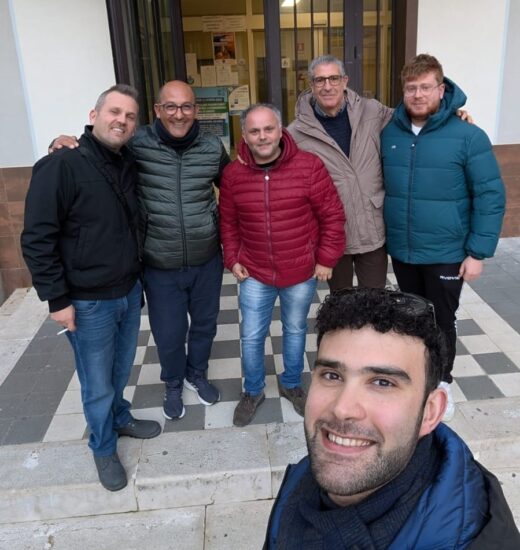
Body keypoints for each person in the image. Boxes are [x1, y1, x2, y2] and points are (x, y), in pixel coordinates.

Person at [265, 288, 520, 549]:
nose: (342, 409)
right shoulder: (301, 478)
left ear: (430, 411)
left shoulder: (479, 540)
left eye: (382, 383)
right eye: (332, 376)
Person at [49, 81, 230, 422]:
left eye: (186, 106)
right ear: (158, 110)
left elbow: (235, 190)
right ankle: (173, 381)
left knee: (205, 325)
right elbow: (100, 148)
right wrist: (63, 141)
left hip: (206, 258)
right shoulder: (137, 143)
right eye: (171, 106)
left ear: (196, 110)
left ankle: (196, 373)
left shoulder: (211, 147)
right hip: (159, 262)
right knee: (169, 332)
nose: (179, 114)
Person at [21, 84, 161, 492]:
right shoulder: (61, 165)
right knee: (97, 381)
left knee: (119, 370)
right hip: (87, 302)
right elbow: (37, 238)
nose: (122, 121)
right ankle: (102, 446)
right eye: (114, 112)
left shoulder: (126, 161)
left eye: (130, 116)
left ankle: (119, 417)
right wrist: (57, 299)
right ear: (93, 115)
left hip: (127, 291)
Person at [381, 54, 506, 420]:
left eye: (425, 87)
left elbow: (490, 195)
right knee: (413, 318)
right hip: (404, 250)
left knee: (441, 321)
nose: (418, 95)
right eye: (411, 88)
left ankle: (442, 384)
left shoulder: (468, 136)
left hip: (447, 252)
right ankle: (417, 375)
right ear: (403, 90)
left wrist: (478, 252)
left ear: (441, 89)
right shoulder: (390, 132)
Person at [219, 103, 345, 427]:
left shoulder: (309, 166)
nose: (262, 136)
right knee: (251, 335)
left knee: (295, 329)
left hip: (300, 270)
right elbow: (228, 223)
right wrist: (232, 258)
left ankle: (291, 384)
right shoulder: (233, 174)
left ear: (280, 130)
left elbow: (332, 216)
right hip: (254, 271)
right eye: (254, 131)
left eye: (268, 129)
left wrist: (326, 259)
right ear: (244, 135)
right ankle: (253, 391)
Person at [288, 55, 393, 291]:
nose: (327, 86)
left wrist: (451, 115)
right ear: (311, 85)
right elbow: (271, 156)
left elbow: (410, 120)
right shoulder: (297, 132)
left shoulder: (371, 110)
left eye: (333, 78)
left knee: (375, 300)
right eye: (320, 80)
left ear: (344, 81)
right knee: (341, 302)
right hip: (333, 234)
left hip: (372, 226)